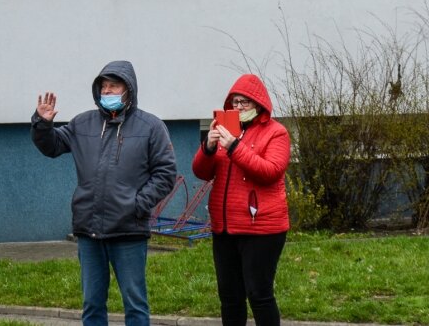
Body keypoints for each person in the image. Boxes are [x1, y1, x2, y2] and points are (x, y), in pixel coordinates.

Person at [31, 60, 177, 326]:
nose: (108, 92)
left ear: (128, 90)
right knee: (92, 304)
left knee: (135, 304)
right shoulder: (82, 124)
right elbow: (51, 147)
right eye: (104, 87)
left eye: (114, 86)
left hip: (128, 231)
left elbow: (165, 173)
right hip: (90, 231)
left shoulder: (150, 126)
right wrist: (42, 124)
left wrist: (137, 204)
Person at [191, 74, 291, 326]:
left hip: (262, 229)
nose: (238, 107)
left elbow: (269, 172)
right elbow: (201, 172)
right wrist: (209, 147)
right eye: (234, 102)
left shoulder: (276, 133)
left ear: (259, 105)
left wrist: (235, 147)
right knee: (230, 297)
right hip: (225, 228)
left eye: (245, 102)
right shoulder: (223, 132)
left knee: (259, 294)